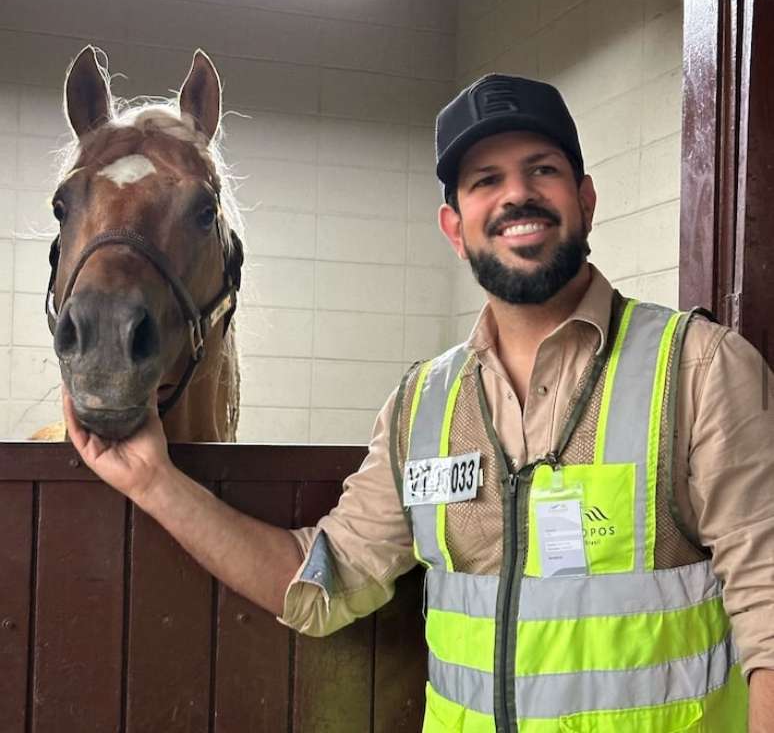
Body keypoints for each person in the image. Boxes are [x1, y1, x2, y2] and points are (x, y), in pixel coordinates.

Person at [63, 74, 774, 732]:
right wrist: (154, 482)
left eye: (543, 171)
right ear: (454, 228)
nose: (516, 196)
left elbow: (769, 622)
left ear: (585, 200)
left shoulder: (701, 371)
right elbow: (321, 584)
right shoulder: (422, 407)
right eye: (485, 180)